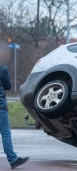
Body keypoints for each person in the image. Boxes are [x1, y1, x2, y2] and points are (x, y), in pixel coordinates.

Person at [0, 40, 29, 169]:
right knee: (5, 133)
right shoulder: (3, 68)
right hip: (0, 106)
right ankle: (13, 159)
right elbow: (8, 86)